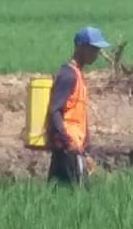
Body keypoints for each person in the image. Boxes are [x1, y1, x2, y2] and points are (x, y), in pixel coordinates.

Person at [46, 26, 112, 186]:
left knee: (61, 198)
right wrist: (67, 142)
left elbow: (79, 116)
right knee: (79, 196)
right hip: (68, 150)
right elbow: (55, 110)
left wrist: (87, 150)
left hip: (74, 148)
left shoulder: (78, 74)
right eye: (93, 49)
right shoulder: (68, 75)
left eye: (97, 49)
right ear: (80, 47)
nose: (96, 54)